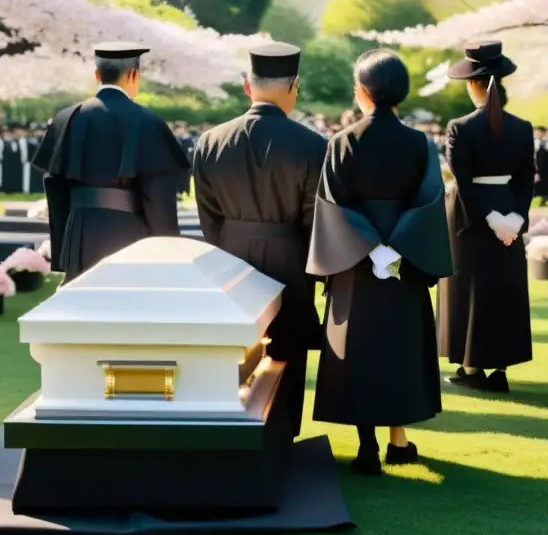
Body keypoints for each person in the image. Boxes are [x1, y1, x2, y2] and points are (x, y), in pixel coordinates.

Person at [307, 49, 452, 475]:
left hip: (354, 261)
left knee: (358, 348)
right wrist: (395, 248)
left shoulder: (342, 141)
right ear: (399, 94)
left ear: (362, 92)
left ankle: (366, 445)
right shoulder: (419, 143)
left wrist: (369, 247)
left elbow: (333, 204)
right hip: (403, 264)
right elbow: (429, 201)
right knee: (399, 349)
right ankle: (398, 439)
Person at [191, 42, 327, 439]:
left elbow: (208, 217)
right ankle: (282, 435)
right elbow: (314, 219)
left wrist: (224, 253)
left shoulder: (211, 141)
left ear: (247, 86)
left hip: (230, 258)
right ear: (294, 86)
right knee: (286, 355)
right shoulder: (312, 145)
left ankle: (227, 431)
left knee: (232, 353)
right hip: (290, 256)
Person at [32, 42, 188, 281]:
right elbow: (159, 197)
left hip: (79, 229)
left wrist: (64, 251)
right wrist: (166, 252)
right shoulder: (148, 122)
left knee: (82, 305)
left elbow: (56, 191)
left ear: (97, 75)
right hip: (128, 229)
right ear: (134, 75)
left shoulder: (66, 118)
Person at [436, 41, 535, 393]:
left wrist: (491, 217)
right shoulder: (522, 127)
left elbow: (462, 180)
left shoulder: (459, 127)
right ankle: (500, 368)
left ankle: (472, 365)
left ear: (474, 84)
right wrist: (515, 218)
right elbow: (527, 178)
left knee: (471, 288)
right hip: (507, 205)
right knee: (503, 288)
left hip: (471, 215)